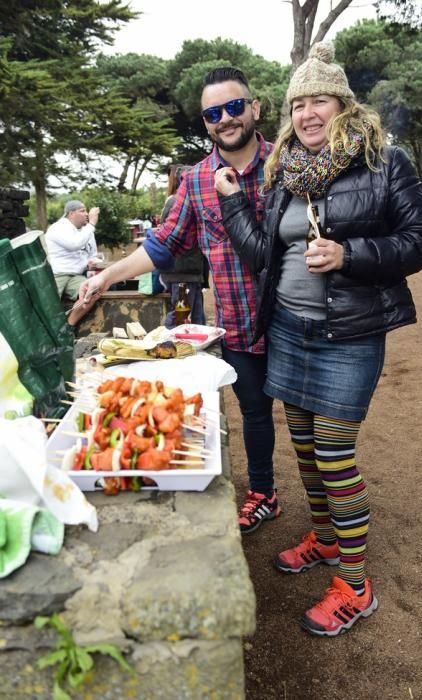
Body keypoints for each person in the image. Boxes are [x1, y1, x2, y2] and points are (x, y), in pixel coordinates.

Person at [215, 42, 422, 637]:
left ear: (343, 103)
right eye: (298, 104)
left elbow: (419, 242)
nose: (307, 113)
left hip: (349, 335)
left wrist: (350, 253)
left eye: (319, 100)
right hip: (290, 330)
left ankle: (356, 586)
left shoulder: (386, 162)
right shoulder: (283, 173)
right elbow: (266, 253)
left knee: (336, 457)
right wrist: (234, 205)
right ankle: (329, 539)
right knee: (308, 453)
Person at [79, 67, 279, 533]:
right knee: (253, 412)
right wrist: (107, 275)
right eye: (213, 113)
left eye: (233, 107)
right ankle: (265, 491)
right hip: (239, 323)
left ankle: (330, 520)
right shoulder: (196, 179)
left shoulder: (286, 163)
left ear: (255, 108)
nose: (225, 119)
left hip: (292, 319)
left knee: (308, 421)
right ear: (205, 122)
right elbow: (162, 244)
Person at [160, 164, 207, 328]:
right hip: (182, 273)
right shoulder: (176, 201)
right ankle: (172, 348)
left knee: (195, 316)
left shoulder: (176, 200)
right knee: (181, 316)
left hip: (187, 272)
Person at [45, 200, 100, 325]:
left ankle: (69, 325)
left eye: (86, 211)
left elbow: (82, 254)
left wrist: (88, 263)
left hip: (75, 276)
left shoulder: (81, 230)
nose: (86, 214)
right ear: (71, 214)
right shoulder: (58, 228)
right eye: (82, 211)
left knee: (92, 291)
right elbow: (74, 245)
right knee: (48, 306)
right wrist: (92, 223)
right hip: (56, 275)